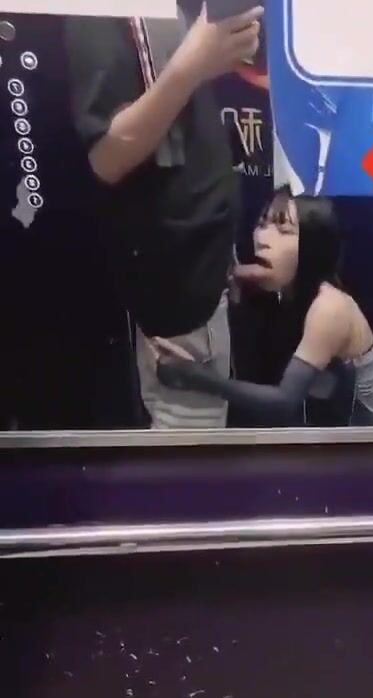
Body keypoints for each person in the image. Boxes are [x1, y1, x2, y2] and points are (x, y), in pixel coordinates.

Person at [64, 5, 263, 428]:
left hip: (201, 259)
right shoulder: (100, 14)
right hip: (176, 274)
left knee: (198, 431)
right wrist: (194, 65)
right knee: (190, 440)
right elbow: (106, 156)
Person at [153, 186, 373, 427]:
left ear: (311, 246)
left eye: (283, 230)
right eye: (262, 224)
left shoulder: (330, 307)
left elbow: (283, 403)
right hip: (345, 445)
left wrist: (193, 376)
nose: (262, 238)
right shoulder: (289, 294)